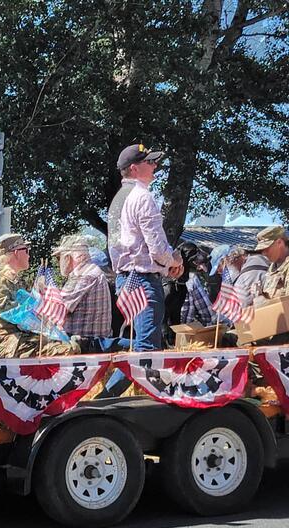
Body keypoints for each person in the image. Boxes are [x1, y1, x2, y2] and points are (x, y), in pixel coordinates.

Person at [97, 143, 184, 397]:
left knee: (140, 344)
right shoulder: (143, 197)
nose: (155, 165)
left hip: (126, 280)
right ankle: (105, 399)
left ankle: (99, 348)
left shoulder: (118, 200)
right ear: (134, 169)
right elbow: (156, 247)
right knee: (146, 349)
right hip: (144, 281)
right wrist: (173, 262)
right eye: (150, 162)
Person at [0, 233, 79, 358]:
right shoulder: (1, 278)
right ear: (15, 252)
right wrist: (28, 308)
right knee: (65, 350)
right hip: (2, 339)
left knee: (66, 344)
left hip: (15, 336)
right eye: (26, 250)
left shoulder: (14, 279)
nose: (29, 255)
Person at [52, 234, 112, 337]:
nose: (59, 262)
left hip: (83, 345)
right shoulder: (92, 270)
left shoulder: (82, 275)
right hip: (94, 342)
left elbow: (57, 310)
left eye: (59, 257)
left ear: (69, 257)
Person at [237, 225, 289, 307]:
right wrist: (260, 295)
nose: (264, 253)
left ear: (279, 243)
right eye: (262, 250)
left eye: (267, 248)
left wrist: (261, 300)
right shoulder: (272, 268)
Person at [178, 242, 219, 327]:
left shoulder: (159, 278)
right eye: (195, 252)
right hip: (184, 332)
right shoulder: (192, 280)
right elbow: (208, 314)